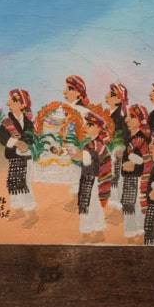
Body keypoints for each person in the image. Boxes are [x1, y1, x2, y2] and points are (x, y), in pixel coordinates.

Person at [68, 109, 112, 243]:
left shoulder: (96, 145)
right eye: (86, 124)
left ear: (99, 128)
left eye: (90, 125)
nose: (86, 127)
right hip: (92, 179)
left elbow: (84, 158)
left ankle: (87, 234)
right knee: (94, 205)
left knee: (86, 205)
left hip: (94, 180)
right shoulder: (92, 144)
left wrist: (71, 153)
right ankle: (99, 232)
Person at [0, 89, 39, 228]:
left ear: (21, 104)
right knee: (13, 183)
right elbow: (2, 138)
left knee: (23, 184)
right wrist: (15, 143)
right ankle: (19, 210)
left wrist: (27, 146)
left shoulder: (29, 123)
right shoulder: (6, 122)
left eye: (13, 101)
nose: (8, 103)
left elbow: (34, 139)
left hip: (26, 157)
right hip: (14, 156)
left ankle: (32, 214)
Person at [119, 103, 151, 243]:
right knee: (128, 205)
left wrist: (133, 162)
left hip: (139, 179)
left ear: (139, 120)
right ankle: (130, 235)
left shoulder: (143, 137)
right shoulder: (129, 137)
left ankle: (142, 234)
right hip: (128, 178)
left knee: (139, 205)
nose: (127, 120)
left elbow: (146, 158)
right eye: (127, 116)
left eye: (131, 117)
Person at [61, 75, 91, 211]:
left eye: (69, 89)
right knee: (73, 173)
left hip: (80, 148)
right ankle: (75, 199)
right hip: (70, 146)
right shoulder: (69, 109)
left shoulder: (83, 111)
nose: (64, 92)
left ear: (79, 93)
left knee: (79, 172)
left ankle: (79, 201)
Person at [105, 82, 130, 213]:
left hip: (117, 152)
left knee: (116, 178)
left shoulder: (121, 117)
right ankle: (114, 206)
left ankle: (118, 208)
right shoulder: (109, 115)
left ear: (119, 99)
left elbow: (124, 135)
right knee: (111, 177)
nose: (106, 96)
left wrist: (120, 147)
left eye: (110, 95)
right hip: (109, 150)